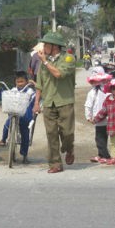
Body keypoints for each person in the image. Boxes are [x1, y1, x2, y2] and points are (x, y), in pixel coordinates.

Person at [33, 31, 76, 173]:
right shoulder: (43, 63)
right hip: (49, 102)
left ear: (54, 46)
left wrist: (45, 61)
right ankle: (55, 164)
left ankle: (69, 149)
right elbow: (39, 84)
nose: (43, 47)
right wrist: (36, 103)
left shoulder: (68, 58)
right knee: (51, 135)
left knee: (68, 133)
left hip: (64, 101)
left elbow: (59, 74)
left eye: (46, 44)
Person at [0, 71, 35, 164]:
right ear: (15, 82)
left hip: (25, 115)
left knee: (25, 134)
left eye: (22, 81)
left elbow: (35, 98)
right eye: (18, 82)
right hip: (14, 113)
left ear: (27, 82)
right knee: (7, 124)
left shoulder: (30, 91)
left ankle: (24, 155)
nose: (20, 84)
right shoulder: (13, 90)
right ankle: (3, 138)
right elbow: (7, 96)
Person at [84, 66, 112, 163]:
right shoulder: (108, 90)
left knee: (99, 139)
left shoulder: (93, 92)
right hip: (107, 118)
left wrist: (88, 116)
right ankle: (101, 155)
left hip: (99, 118)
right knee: (104, 138)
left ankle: (106, 156)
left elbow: (88, 105)